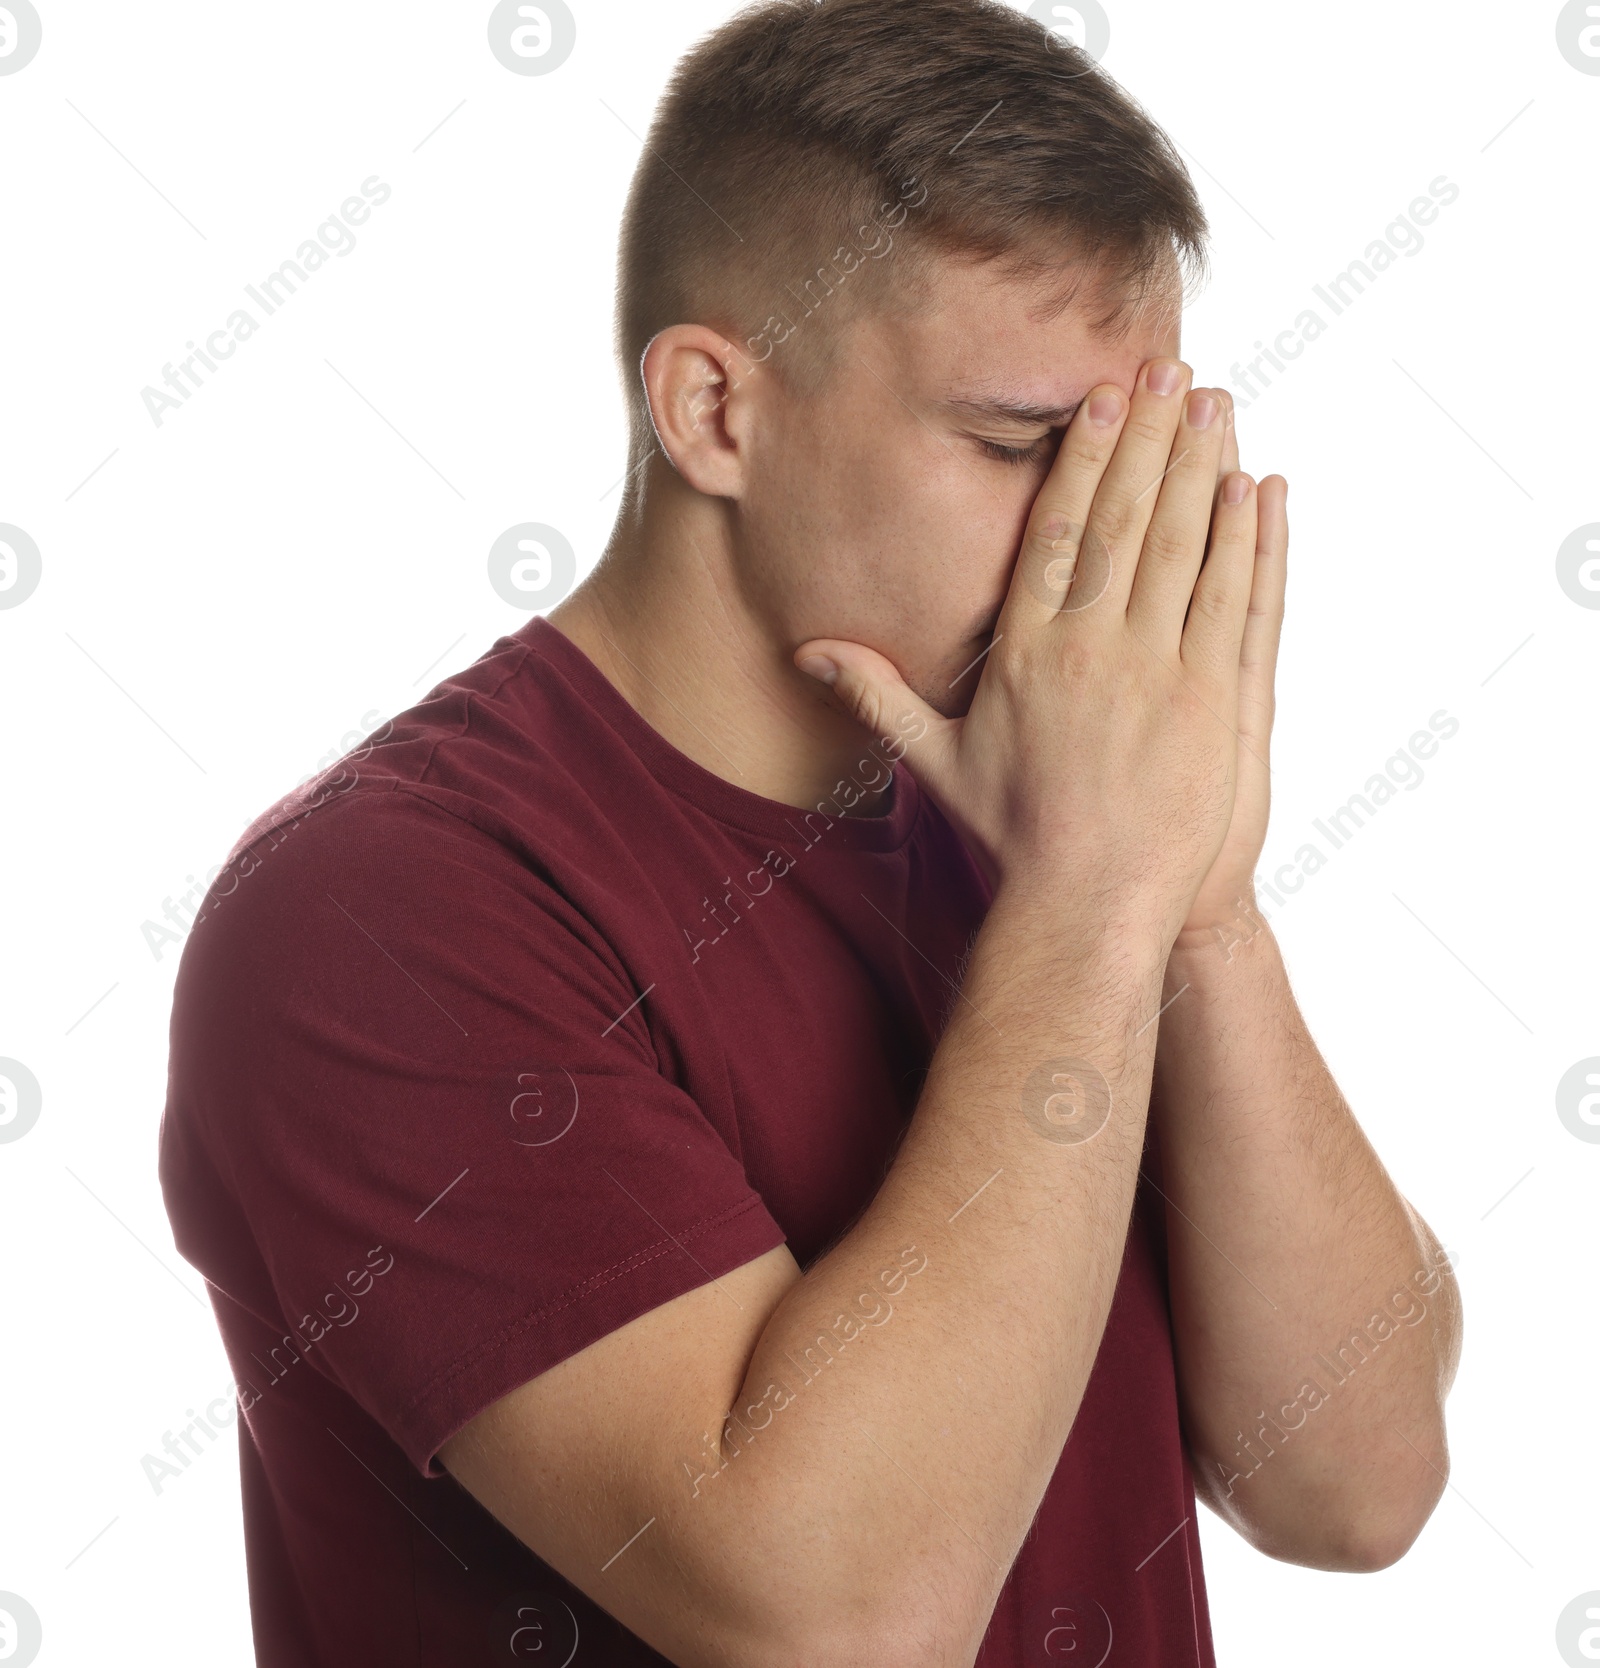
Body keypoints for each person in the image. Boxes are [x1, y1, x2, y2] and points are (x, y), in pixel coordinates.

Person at [159, 1, 1462, 1662]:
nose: (1103, 534)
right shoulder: (371, 917)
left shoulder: (1058, 825)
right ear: (715, 410)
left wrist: (1199, 900)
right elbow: (836, 1617)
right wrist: (1096, 896)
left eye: (1137, 454)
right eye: (1023, 447)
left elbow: (1358, 1486)